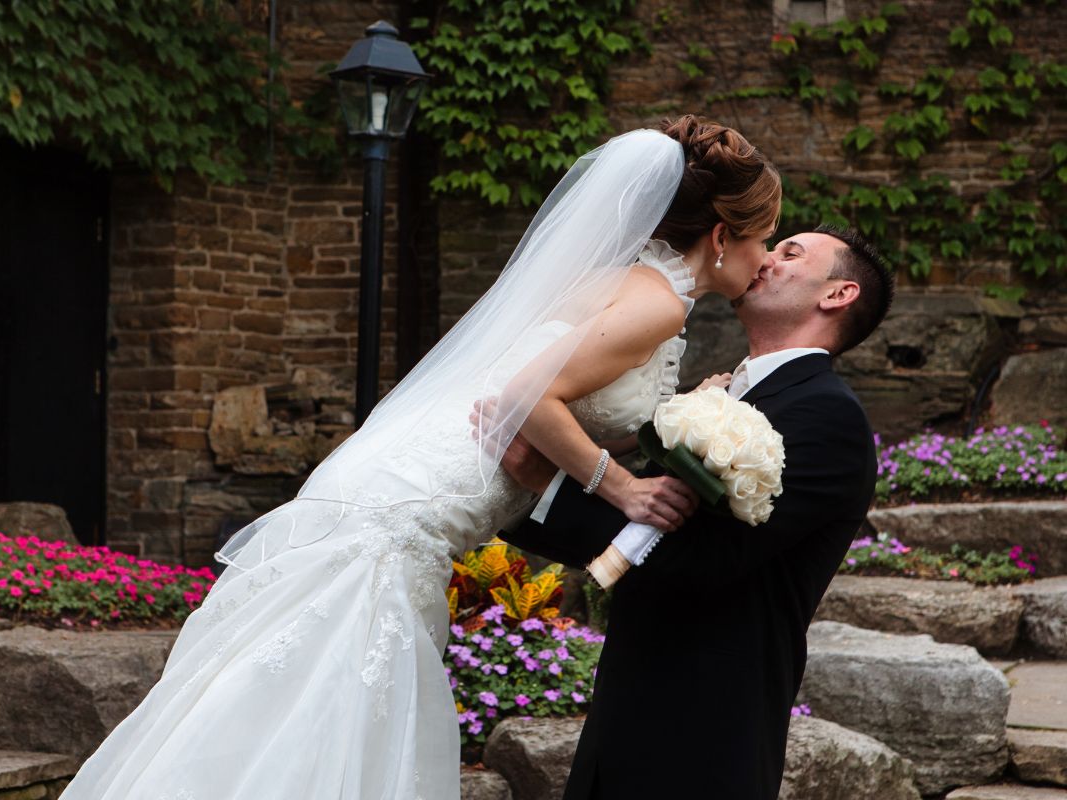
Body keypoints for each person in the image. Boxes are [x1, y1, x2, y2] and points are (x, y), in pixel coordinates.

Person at [58, 116, 781, 800]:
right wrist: (623, 488)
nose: (767, 258)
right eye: (765, 239)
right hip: (418, 502)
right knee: (335, 697)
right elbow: (528, 395)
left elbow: (572, 400)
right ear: (721, 236)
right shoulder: (658, 303)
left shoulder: (623, 279)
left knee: (292, 686)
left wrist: (684, 412)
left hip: (400, 469)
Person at [499, 224, 895, 800]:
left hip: (706, 722)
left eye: (790, 254)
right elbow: (650, 516)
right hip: (634, 692)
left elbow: (705, 558)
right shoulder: (724, 398)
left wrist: (546, 486)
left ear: (836, 295)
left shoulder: (827, 416)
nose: (764, 259)